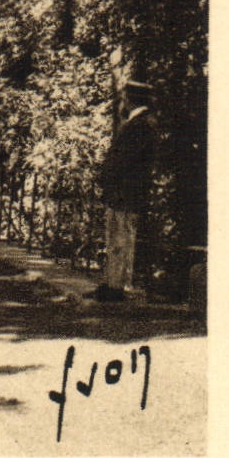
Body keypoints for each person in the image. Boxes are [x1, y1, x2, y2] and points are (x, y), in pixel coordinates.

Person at [96, 80, 156, 301]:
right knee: (117, 240)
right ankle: (113, 283)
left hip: (125, 194)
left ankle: (117, 287)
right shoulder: (137, 123)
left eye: (124, 97)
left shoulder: (140, 125)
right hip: (122, 193)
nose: (122, 102)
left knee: (121, 240)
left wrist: (112, 183)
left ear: (130, 99)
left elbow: (126, 162)